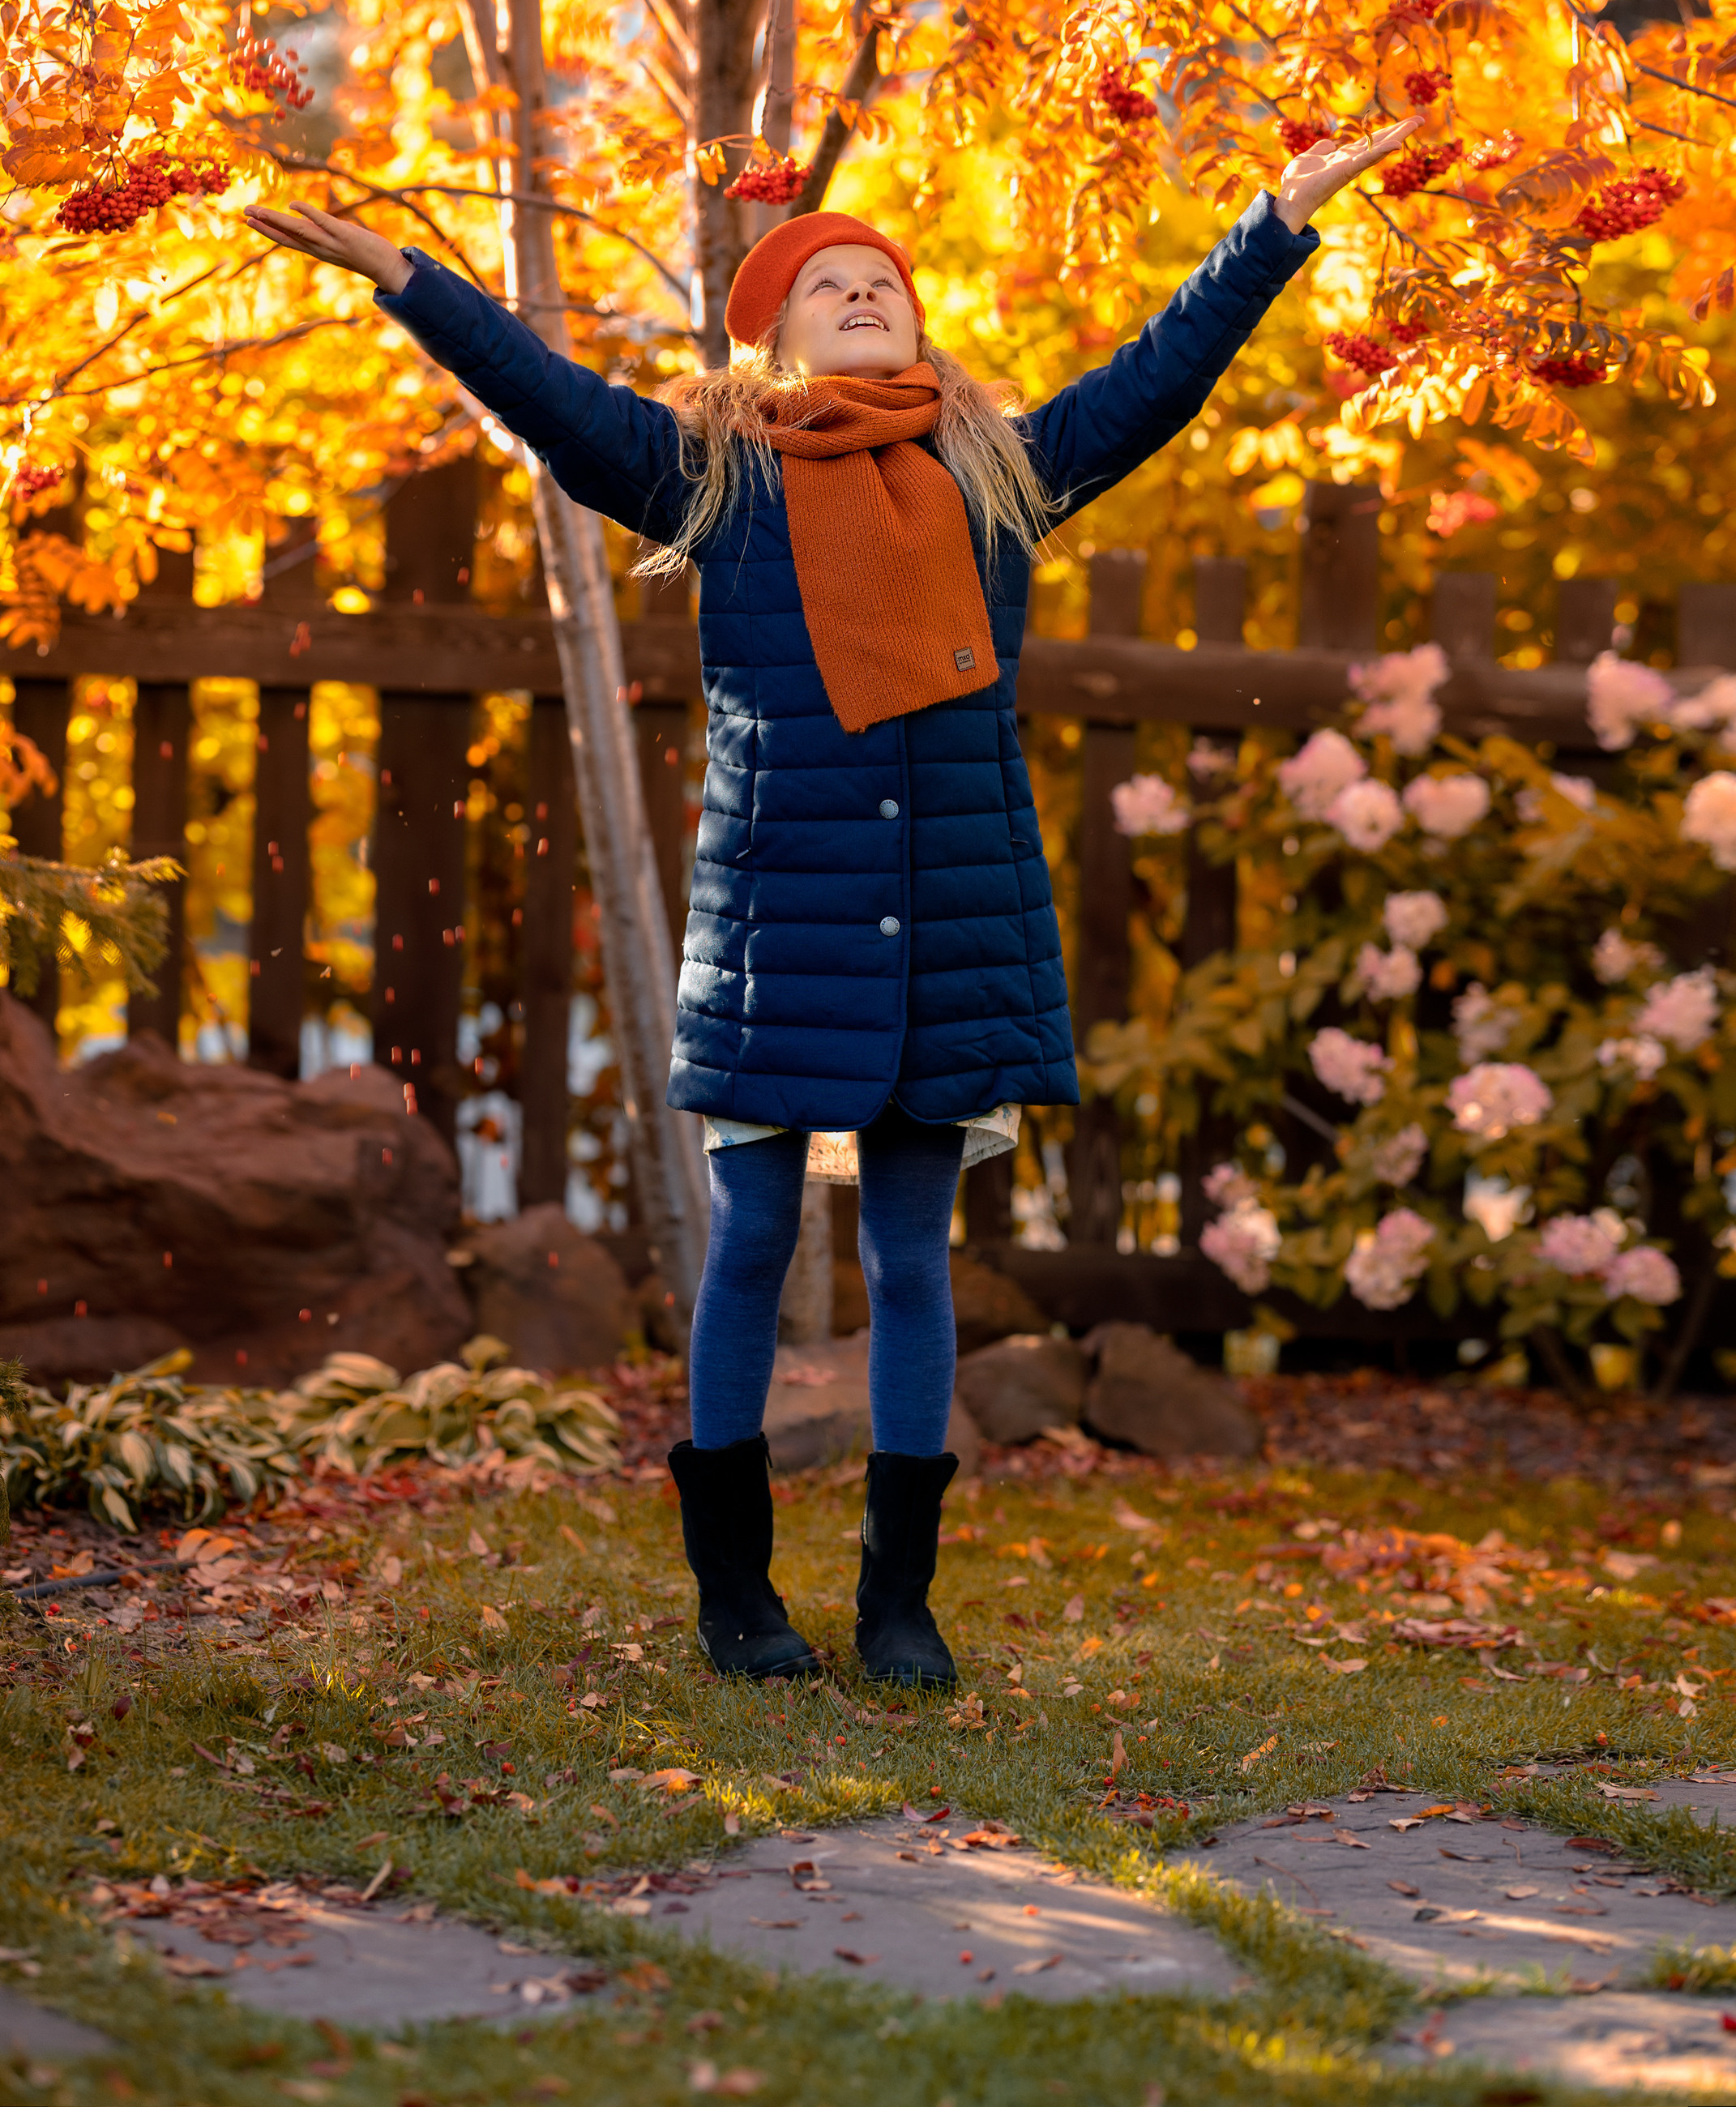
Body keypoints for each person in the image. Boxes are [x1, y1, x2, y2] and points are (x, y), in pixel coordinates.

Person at [244, 111, 1418, 1690]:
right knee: (746, 1245)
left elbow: (1161, 373)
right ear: (773, 336)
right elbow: (554, 403)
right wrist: (410, 278)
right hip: (779, 922)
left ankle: (898, 1599)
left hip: (954, 922)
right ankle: (736, 1595)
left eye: (886, 280)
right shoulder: (718, 480)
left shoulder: (997, 474)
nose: (867, 293)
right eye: (829, 283)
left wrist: (1273, 221)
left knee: (914, 1259)